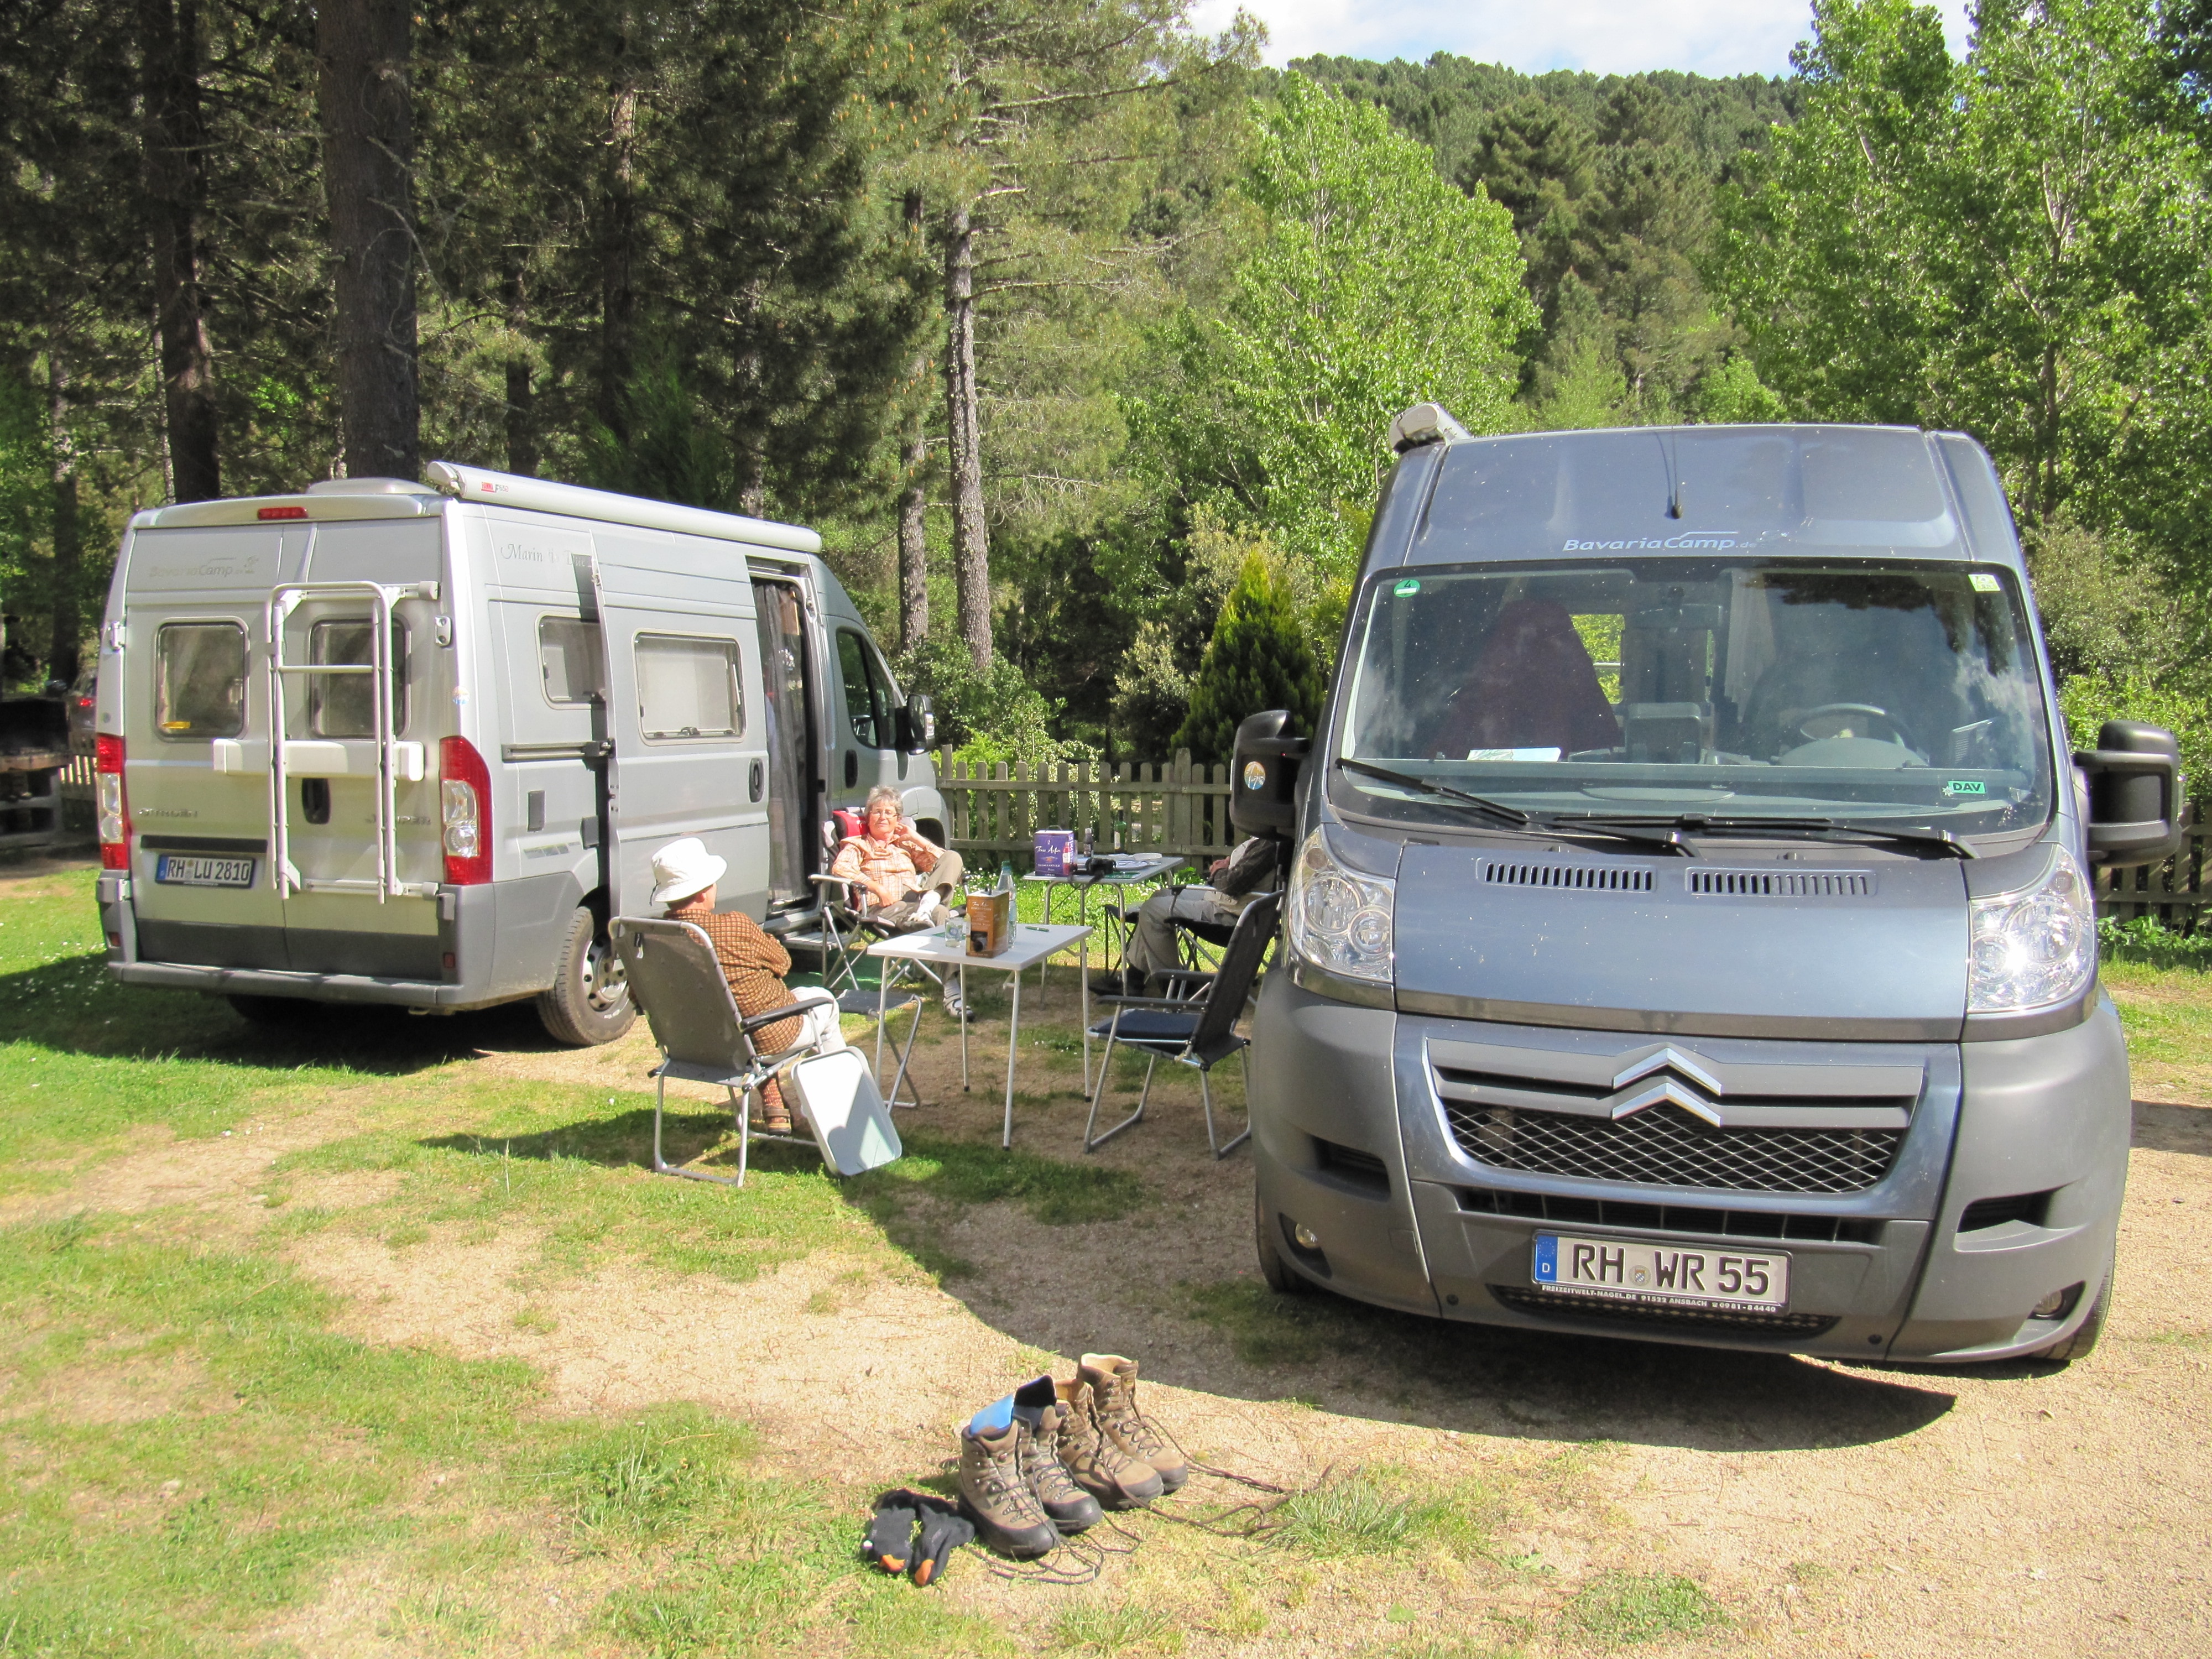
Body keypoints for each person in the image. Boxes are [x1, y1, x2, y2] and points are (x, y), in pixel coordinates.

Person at [653, 836, 842, 1136]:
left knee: (765, 1005)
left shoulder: (654, 940)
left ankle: (774, 1097)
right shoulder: (733, 926)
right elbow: (782, 963)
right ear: (703, 892)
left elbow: (644, 999)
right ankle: (835, 1115)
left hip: (692, 1044)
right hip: (759, 1040)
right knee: (825, 1004)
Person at [1120, 835, 1278, 993]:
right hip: (1233, 905)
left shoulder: (1267, 845)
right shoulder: (1271, 840)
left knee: (1151, 909)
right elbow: (1244, 877)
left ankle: (1173, 983)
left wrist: (1219, 871)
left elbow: (1233, 884)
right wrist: (1228, 867)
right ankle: (1135, 976)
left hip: (1232, 918)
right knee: (1160, 895)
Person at [829, 786, 968, 930]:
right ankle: (925, 925)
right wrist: (878, 889)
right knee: (940, 913)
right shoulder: (858, 844)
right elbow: (841, 867)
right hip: (883, 906)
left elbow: (945, 864)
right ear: (868, 818)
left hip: (916, 901)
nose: (883, 817)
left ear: (898, 820)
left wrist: (917, 838)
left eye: (889, 813)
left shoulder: (905, 845)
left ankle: (927, 908)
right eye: (877, 812)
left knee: (953, 857)